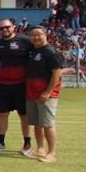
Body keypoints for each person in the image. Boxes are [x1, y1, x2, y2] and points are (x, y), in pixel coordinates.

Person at [0, 19, 33, 156]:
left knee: (24, 116)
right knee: (2, 114)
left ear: (13, 27)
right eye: (1, 28)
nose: (4, 30)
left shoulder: (25, 41)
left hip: (21, 85)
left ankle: (27, 144)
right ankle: (0, 142)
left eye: (7, 27)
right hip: (4, 85)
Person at [26, 26, 63, 163]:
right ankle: (40, 149)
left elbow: (57, 73)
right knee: (37, 123)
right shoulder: (33, 51)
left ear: (45, 35)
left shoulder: (50, 52)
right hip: (32, 93)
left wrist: (48, 91)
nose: (36, 37)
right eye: (33, 35)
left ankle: (52, 153)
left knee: (48, 124)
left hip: (46, 94)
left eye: (39, 35)